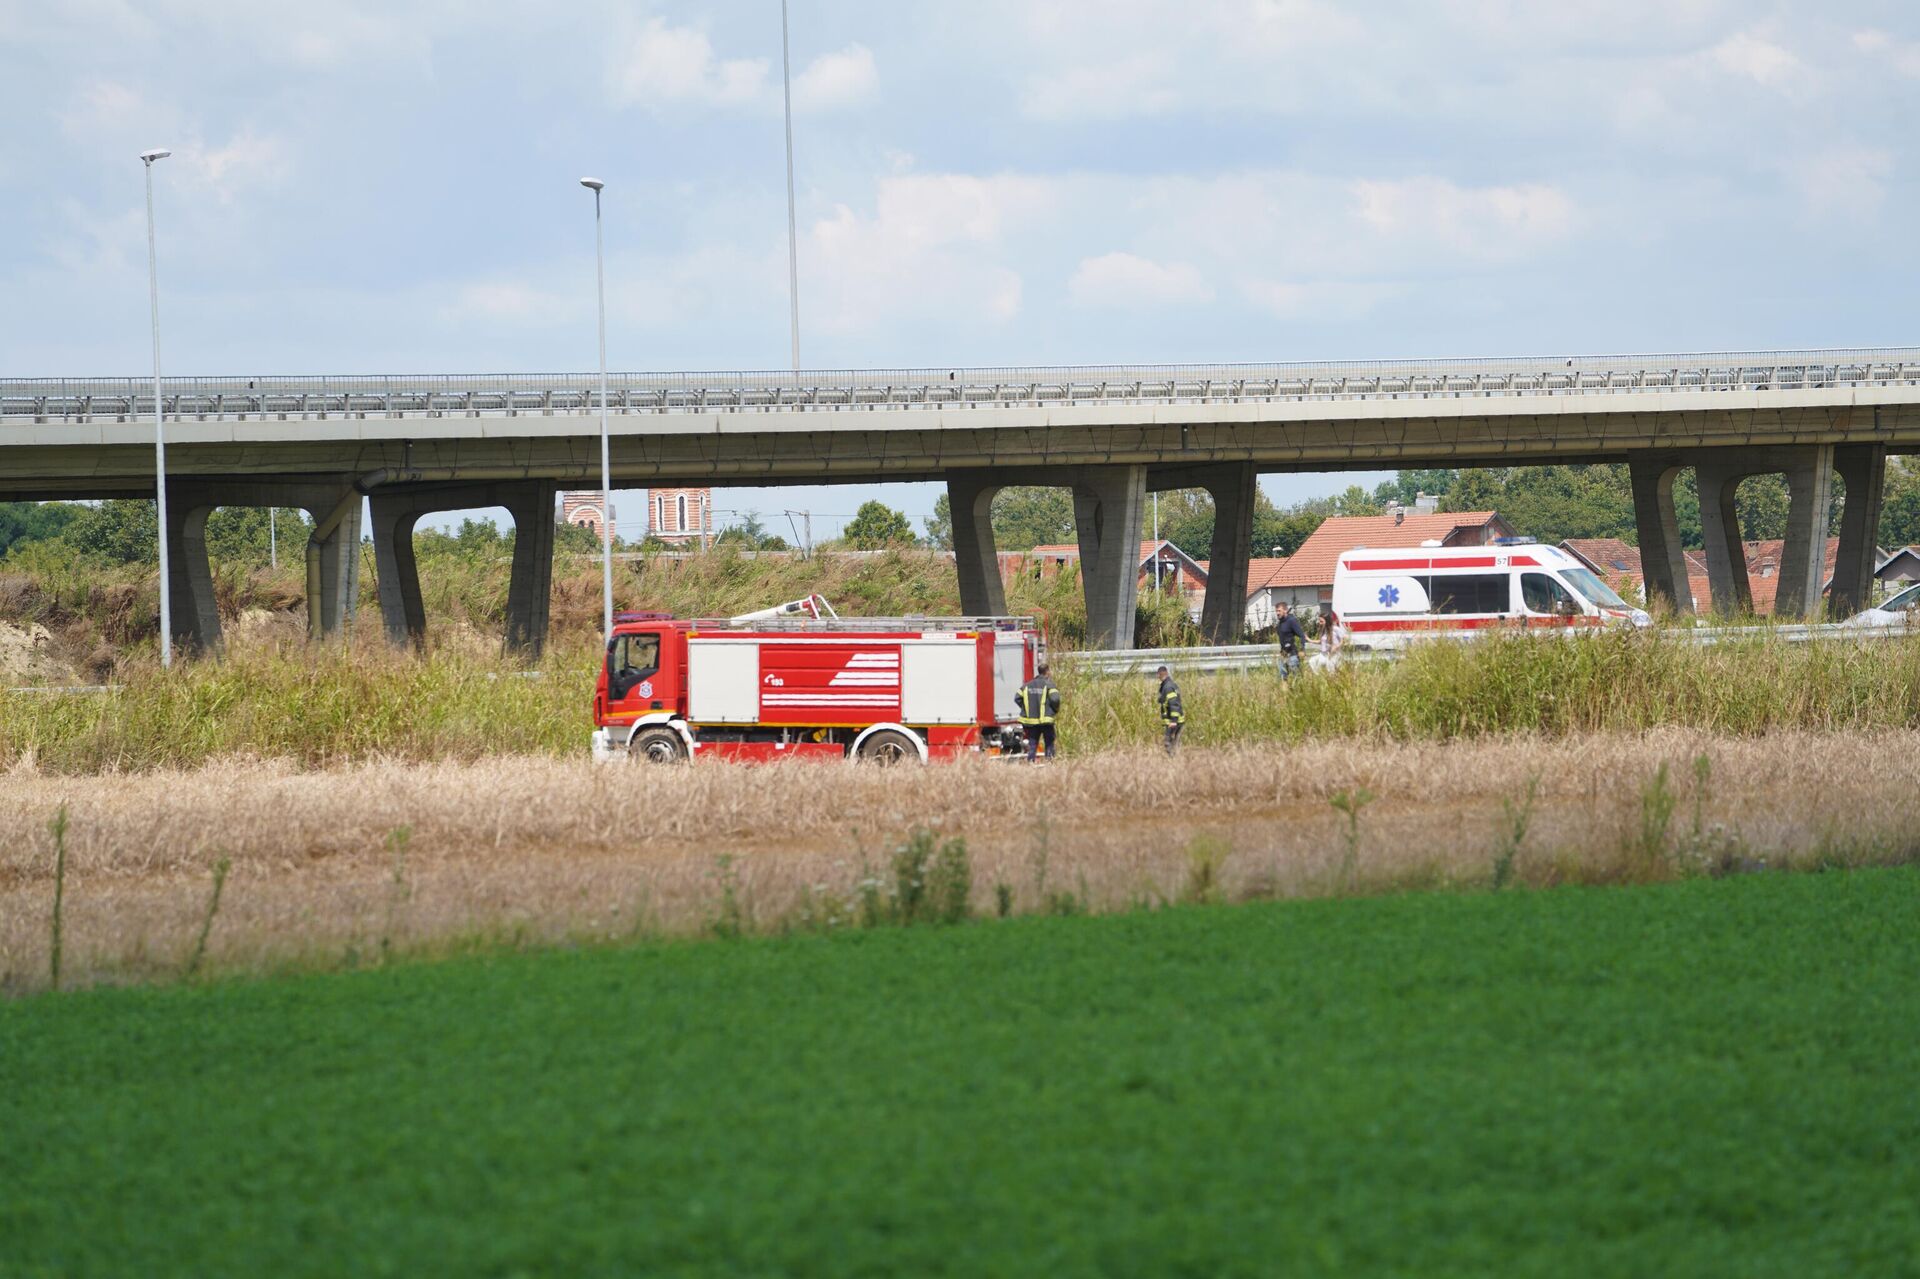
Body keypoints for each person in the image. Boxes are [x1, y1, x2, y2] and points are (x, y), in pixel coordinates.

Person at [1016, 661, 1062, 762]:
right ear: (1047, 672)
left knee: (1032, 744)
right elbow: (1055, 700)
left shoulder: (1027, 685)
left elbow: (1017, 698)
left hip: (1032, 722)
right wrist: (1054, 710)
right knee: (1049, 742)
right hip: (1046, 721)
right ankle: (1049, 762)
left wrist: (1027, 709)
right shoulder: (1049, 685)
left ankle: (1030, 762)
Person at [1155, 664, 1185, 755]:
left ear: (1160, 674)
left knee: (1169, 744)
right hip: (1176, 720)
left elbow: (1174, 704)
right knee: (1175, 744)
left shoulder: (1168, 687)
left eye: (1158, 675)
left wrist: (1174, 721)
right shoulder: (1169, 685)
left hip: (1173, 721)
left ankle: (1173, 760)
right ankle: (1177, 759)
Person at [1275, 602, 1308, 679]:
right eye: (1276, 611)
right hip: (1283, 654)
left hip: (1293, 654)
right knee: (1283, 677)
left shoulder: (1291, 621)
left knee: (1296, 678)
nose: (1277, 613)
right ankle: (1284, 687)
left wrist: (1302, 649)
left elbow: (1302, 635)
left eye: (1279, 611)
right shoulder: (1280, 623)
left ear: (1285, 610)